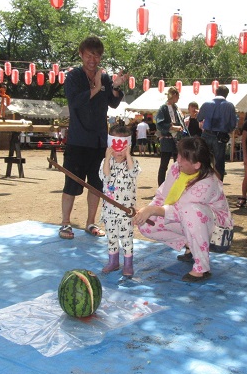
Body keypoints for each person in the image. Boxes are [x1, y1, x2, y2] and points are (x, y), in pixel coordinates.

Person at [133, 137, 233, 282]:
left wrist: (153, 210)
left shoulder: (208, 182)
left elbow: (180, 210)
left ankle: (202, 267)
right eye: (179, 154)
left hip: (217, 232)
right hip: (188, 220)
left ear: (197, 164)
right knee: (147, 224)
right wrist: (146, 212)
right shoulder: (176, 169)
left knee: (191, 211)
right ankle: (190, 245)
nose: (178, 159)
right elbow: (163, 195)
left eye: (183, 157)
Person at [59, 36, 127, 240]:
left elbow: (112, 104)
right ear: (81, 54)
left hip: (99, 141)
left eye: (96, 55)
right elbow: (75, 102)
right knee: (72, 184)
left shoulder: (104, 77)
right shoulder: (73, 77)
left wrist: (114, 87)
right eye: (89, 55)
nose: (93, 59)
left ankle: (91, 222)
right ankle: (65, 224)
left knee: (97, 185)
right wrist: (96, 87)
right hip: (78, 140)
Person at [99, 124, 141, 276]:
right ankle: (113, 262)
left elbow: (133, 173)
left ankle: (128, 264)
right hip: (109, 211)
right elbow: (105, 177)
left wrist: (128, 155)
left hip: (126, 212)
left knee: (127, 238)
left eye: (123, 146)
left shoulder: (133, 162)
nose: (119, 151)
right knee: (111, 237)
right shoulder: (106, 163)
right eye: (115, 145)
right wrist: (107, 158)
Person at [197, 85, 237, 181]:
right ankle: (218, 186)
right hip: (220, 136)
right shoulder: (230, 106)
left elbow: (199, 118)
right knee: (219, 163)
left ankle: (202, 183)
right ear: (227, 94)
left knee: (203, 161)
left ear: (215, 92)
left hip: (206, 134)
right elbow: (233, 124)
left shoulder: (206, 104)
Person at [155, 87, 184, 186]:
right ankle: (161, 187)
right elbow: (159, 124)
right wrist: (171, 127)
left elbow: (181, 122)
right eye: (178, 96)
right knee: (164, 165)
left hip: (177, 140)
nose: (179, 98)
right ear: (174, 95)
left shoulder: (176, 108)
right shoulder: (163, 108)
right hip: (167, 139)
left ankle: (177, 185)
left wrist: (180, 127)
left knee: (179, 164)